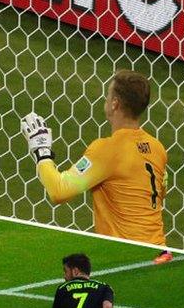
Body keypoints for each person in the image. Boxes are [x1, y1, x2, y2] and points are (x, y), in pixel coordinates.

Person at [21, 70, 172, 264]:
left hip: (131, 256)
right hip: (161, 253)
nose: (106, 99)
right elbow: (160, 192)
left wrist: (41, 150)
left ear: (115, 103)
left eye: (108, 95)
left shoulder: (107, 150)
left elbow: (59, 191)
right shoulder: (157, 148)